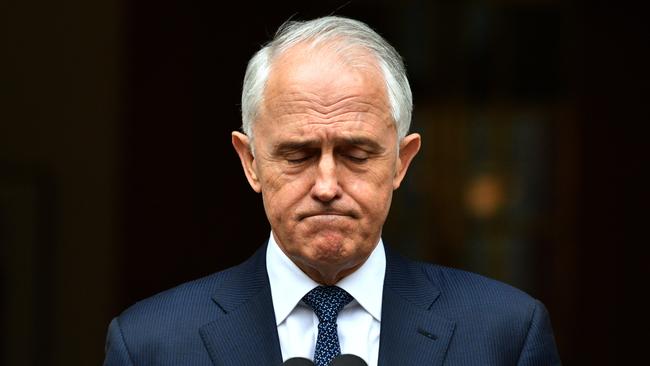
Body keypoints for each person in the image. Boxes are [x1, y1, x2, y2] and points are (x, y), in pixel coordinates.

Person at [103, 16, 561, 366]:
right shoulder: (153, 343)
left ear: (401, 162)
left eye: (356, 154)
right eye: (298, 155)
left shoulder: (504, 334)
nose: (326, 186)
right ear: (251, 162)